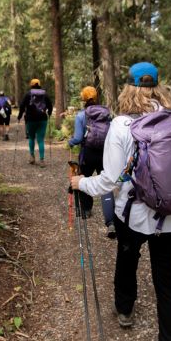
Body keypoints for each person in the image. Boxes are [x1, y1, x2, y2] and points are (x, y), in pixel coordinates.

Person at [70, 62, 171, 341]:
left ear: (128, 88)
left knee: (127, 260)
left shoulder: (121, 126)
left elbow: (108, 182)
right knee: (167, 284)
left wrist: (79, 184)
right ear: (159, 87)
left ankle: (125, 309)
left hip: (134, 216)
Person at [68, 86, 116, 239]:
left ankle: (87, 210)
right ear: (96, 97)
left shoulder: (81, 115)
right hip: (105, 154)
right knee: (106, 184)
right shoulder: (107, 114)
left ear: (83, 98)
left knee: (83, 179)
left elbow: (77, 137)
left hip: (88, 153)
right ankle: (110, 222)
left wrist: (70, 142)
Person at [17, 78, 53, 167]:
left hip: (30, 119)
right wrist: (49, 113)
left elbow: (22, 106)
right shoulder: (44, 94)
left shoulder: (28, 94)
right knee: (40, 140)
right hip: (42, 119)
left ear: (31, 85)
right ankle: (42, 160)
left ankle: (32, 157)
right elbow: (50, 105)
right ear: (39, 84)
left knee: (31, 138)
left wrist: (19, 116)